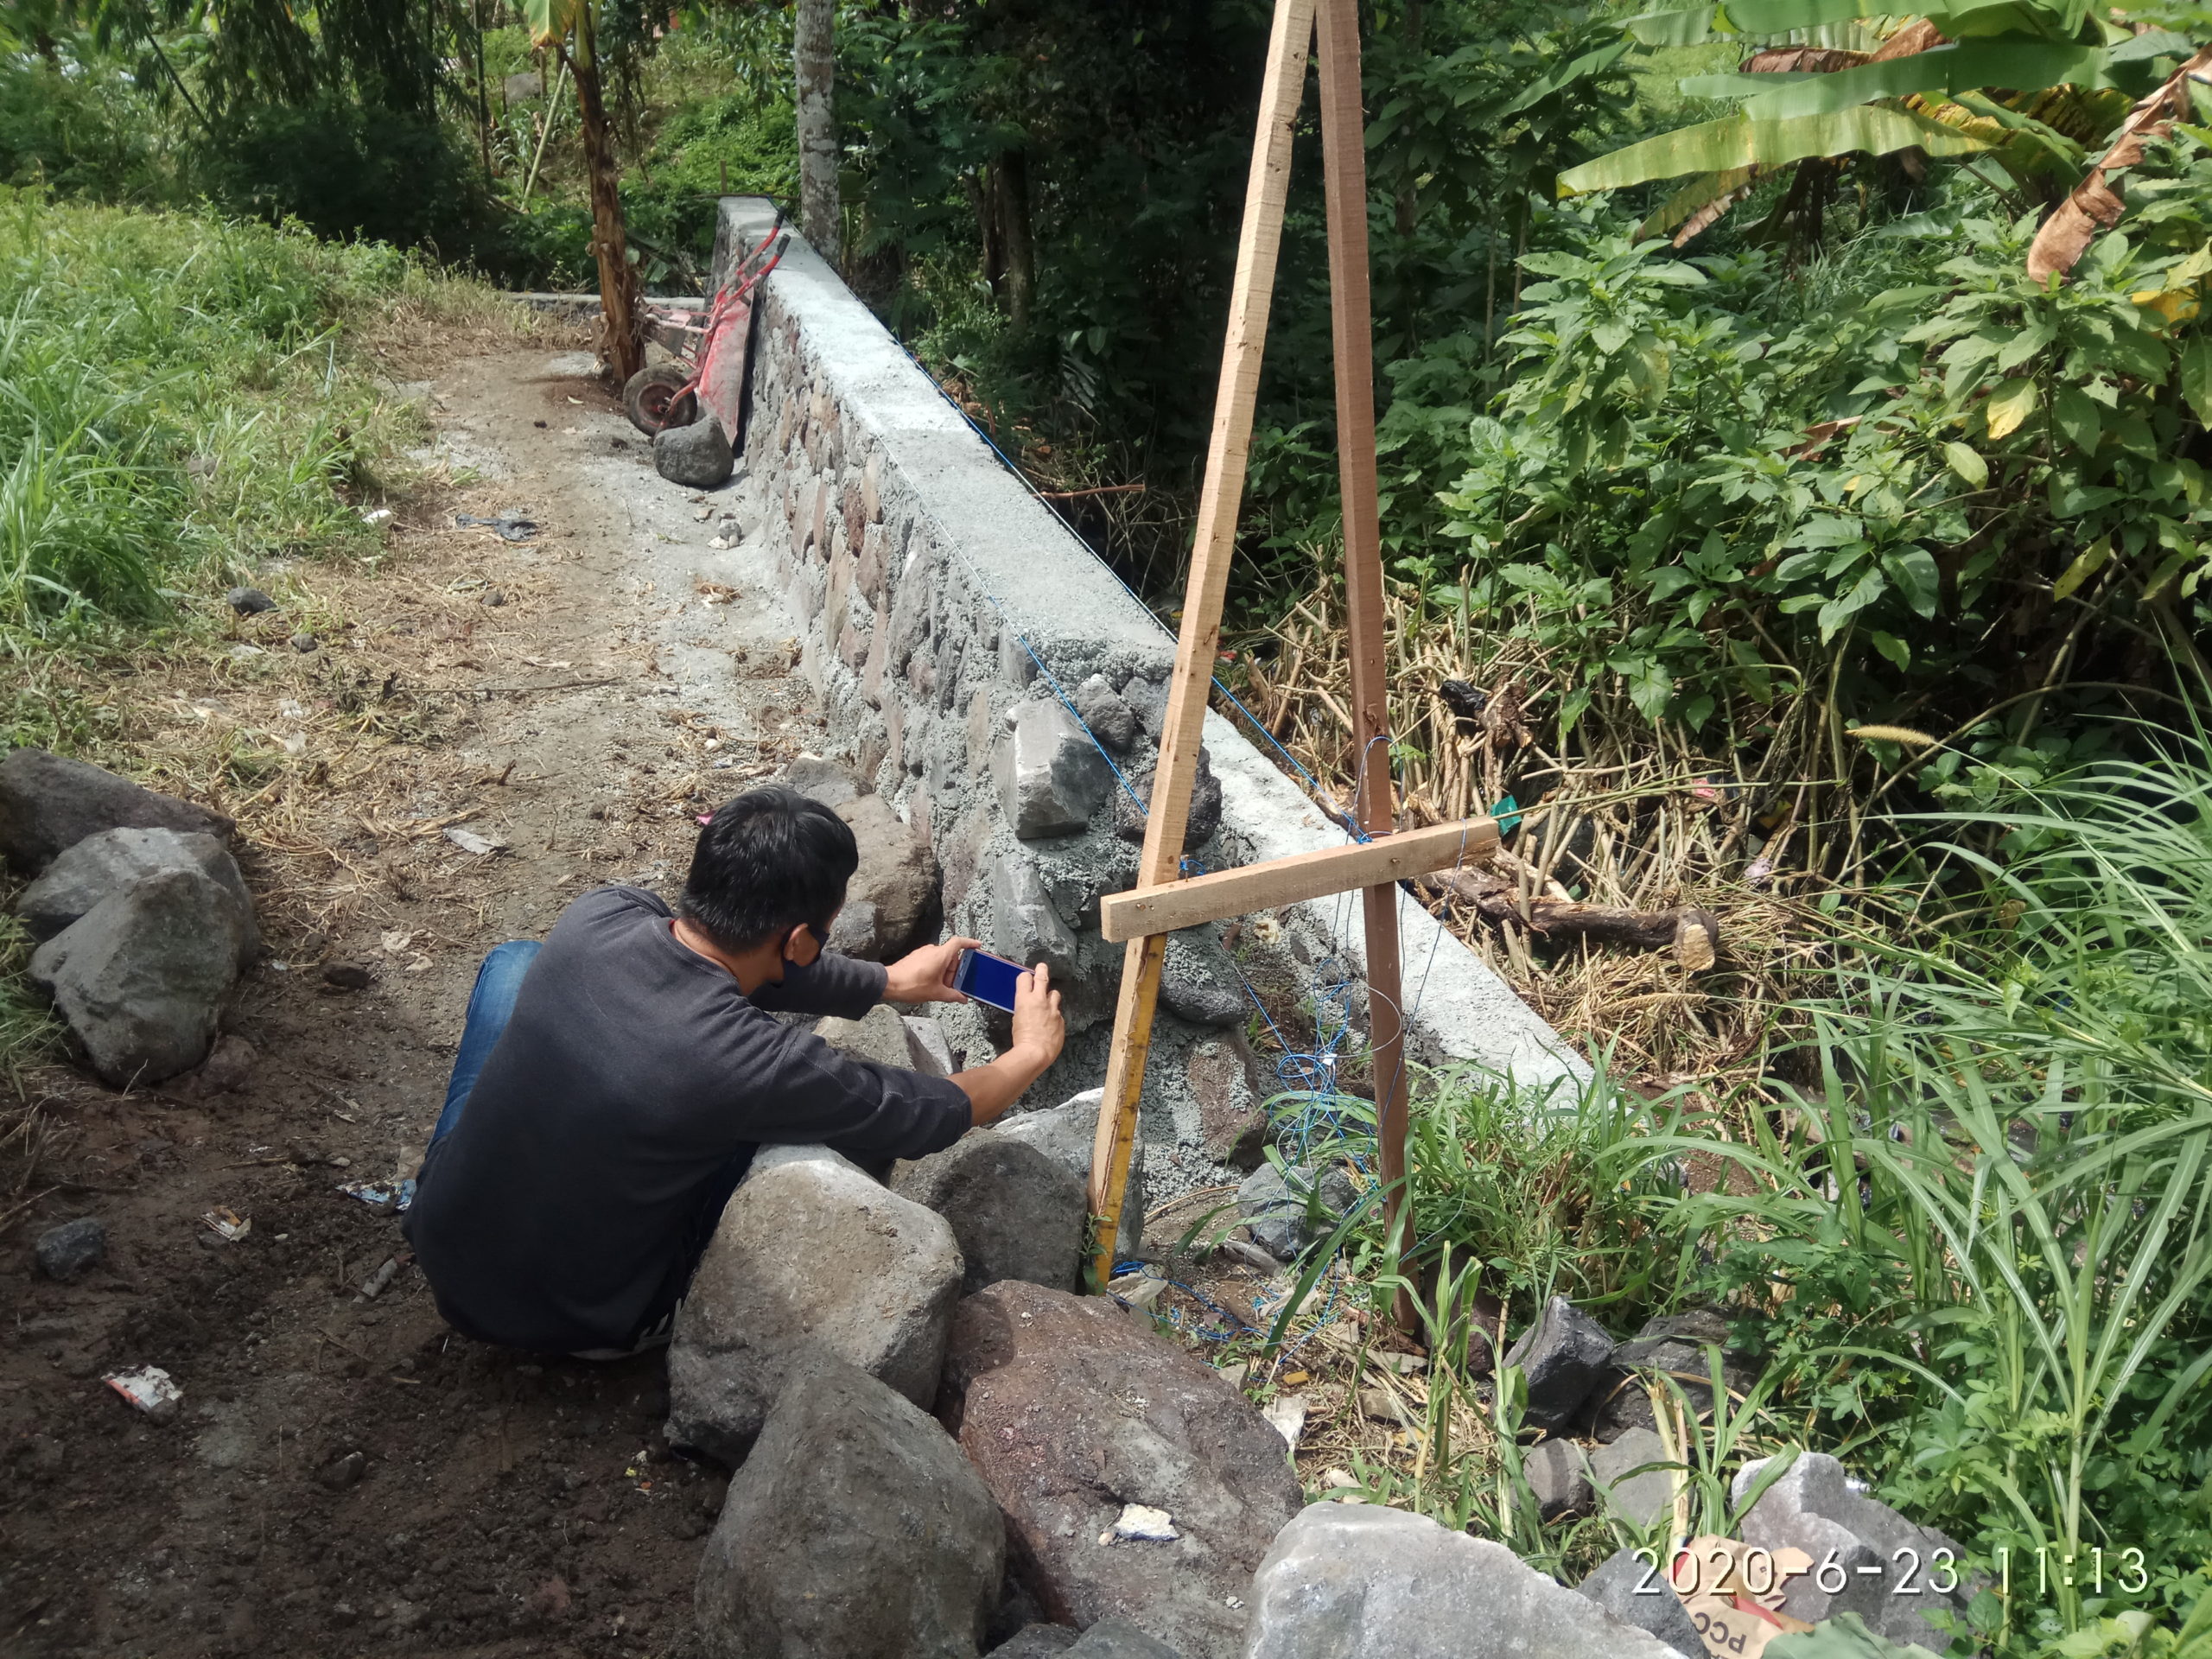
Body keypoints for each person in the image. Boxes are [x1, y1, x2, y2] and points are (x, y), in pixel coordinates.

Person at [402, 785, 1066, 1357]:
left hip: (441, 1239)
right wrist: (1027, 1053)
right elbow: (929, 1112)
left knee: (520, 963)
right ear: (801, 941)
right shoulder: (759, 1064)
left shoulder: (599, 915)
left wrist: (886, 981)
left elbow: (725, 965)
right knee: (796, 1136)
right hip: (584, 1322)